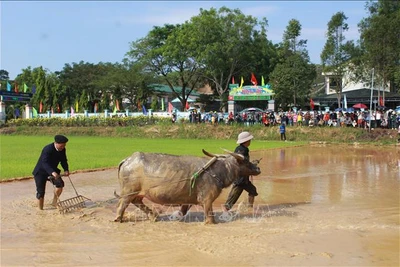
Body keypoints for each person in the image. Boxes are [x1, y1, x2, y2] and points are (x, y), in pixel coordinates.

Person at [32, 135, 70, 210]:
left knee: (60, 184)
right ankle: (41, 210)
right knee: (41, 192)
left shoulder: (63, 149)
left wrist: (66, 169)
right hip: (41, 172)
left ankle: (54, 202)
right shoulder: (47, 149)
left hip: (52, 170)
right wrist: (52, 172)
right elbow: (44, 163)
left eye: (64, 145)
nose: (63, 147)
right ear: (56, 143)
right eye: (61, 145)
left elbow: (63, 160)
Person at [223, 131, 258, 211]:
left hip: (244, 178)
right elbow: (240, 162)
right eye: (249, 140)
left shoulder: (242, 149)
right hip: (240, 179)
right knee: (231, 200)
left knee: (253, 190)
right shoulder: (242, 150)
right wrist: (251, 165)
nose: (250, 142)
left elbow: (244, 162)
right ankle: (224, 213)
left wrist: (252, 164)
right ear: (246, 141)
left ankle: (250, 208)